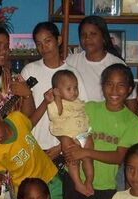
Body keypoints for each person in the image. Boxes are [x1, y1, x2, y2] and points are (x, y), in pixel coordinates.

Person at [62, 63, 138, 199]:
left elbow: (120, 157)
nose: (114, 90)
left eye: (121, 85)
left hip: (104, 187)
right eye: (109, 84)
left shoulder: (132, 121)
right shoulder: (88, 108)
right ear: (102, 86)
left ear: (129, 90)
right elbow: (69, 130)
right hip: (75, 181)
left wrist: (85, 152)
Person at [0, 106, 63, 199]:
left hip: (48, 175)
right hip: (27, 191)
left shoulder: (17, 118)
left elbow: (30, 123)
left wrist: (45, 102)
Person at [21, 21, 88, 162]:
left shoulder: (71, 73)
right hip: (34, 146)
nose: (43, 48)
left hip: (64, 148)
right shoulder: (29, 71)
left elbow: (83, 114)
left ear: (58, 40)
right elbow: (24, 116)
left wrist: (61, 147)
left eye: (47, 41)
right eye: (39, 44)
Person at [66, 15, 138, 113]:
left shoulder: (116, 64)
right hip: (77, 121)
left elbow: (131, 101)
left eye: (93, 34)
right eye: (83, 35)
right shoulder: (71, 61)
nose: (87, 38)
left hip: (107, 121)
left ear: (104, 37)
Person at [47, 70, 94, 196]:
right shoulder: (56, 103)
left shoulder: (77, 101)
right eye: (69, 88)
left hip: (82, 134)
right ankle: (78, 183)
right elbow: (56, 114)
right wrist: (56, 98)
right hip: (67, 135)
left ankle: (89, 181)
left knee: (88, 157)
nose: (74, 91)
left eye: (75, 88)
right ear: (57, 91)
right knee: (72, 159)